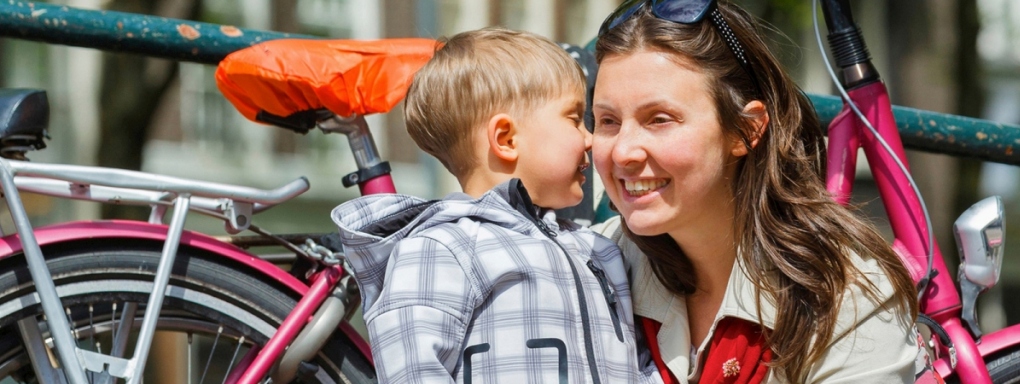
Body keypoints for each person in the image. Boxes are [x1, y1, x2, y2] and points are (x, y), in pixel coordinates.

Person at [590, 1, 934, 383]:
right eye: (608, 121)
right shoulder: (596, 262)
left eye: (659, 120)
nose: (622, 151)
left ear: (745, 130)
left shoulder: (843, 297)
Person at [332, 27, 659, 383]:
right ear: (506, 139)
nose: (590, 138)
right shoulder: (441, 251)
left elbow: (640, 364)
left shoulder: (600, 251)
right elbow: (413, 372)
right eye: (574, 118)